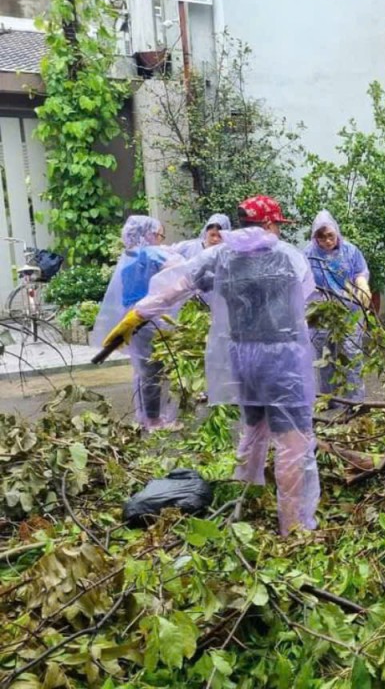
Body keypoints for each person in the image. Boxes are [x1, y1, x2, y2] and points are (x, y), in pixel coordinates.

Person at [100, 196, 319, 535]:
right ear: (269, 224)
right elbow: (304, 295)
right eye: (276, 224)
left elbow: (175, 287)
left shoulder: (219, 256)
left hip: (242, 356)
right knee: (293, 443)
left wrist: (136, 316)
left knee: (255, 429)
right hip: (282, 358)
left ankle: (244, 496)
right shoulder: (288, 256)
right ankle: (295, 526)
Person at [92, 216, 182, 431]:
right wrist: (172, 253)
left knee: (142, 369)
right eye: (159, 235)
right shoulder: (151, 253)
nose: (161, 240)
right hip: (152, 318)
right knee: (155, 370)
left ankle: (145, 416)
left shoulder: (129, 257)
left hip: (132, 317)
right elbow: (182, 269)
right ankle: (155, 420)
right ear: (148, 234)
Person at [305, 210, 370, 406]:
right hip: (321, 313)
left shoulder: (350, 251)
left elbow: (361, 270)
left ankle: (355, 401)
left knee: (352, 354)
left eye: (330, 235)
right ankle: (330, 400)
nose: (326, 241)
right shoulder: (308, 255)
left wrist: (362, 283)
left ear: (337, 233)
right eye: (321, 237)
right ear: (315, 237)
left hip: (349, 311)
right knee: (325, 356)